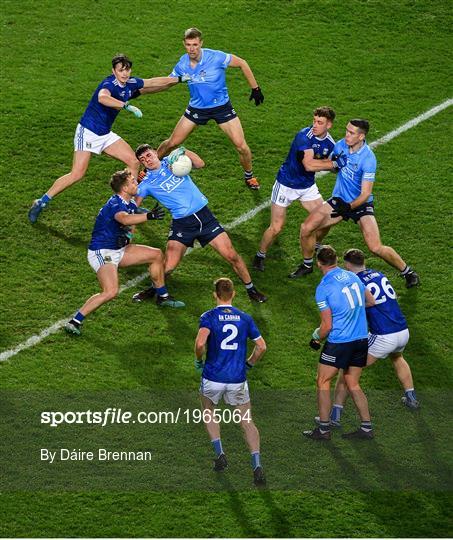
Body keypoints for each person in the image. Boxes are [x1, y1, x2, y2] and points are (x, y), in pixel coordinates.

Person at [28, 54, 184, 223]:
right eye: (120, 70)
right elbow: (103, 97)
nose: (124, 73)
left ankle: (130, 204)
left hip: (105, 134)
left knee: (133, 161)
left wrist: (179, 79)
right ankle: (41, 202)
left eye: (127, 70)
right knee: (77, 173)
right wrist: (125, 105)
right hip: (88, 132)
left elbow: (153, 82)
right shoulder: (109, 84)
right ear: (113, 71)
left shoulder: (131, 83)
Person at [131, 144, 267, 303]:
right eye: (143, 160)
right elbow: (133, 206)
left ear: (155, 153)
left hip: (206, 218)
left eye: (148, 155)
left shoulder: (173, 161)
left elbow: (200, 164)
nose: (147, 160)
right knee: (168, 266)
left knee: (232, 256)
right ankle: (153, 290)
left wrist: (183, 151)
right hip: (182, 224)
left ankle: (251, 289)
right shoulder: (147, 183)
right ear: (142, 164)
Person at [292, 119, 420, 288]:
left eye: (351, 133)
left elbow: (365, 193)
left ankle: (408, 272)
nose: (346, 135)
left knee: (375, 247)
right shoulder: (340, 146)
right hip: (339, 200)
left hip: (360, 205)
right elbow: (332, 166)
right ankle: (308, 264)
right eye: (347, 130)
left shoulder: (368, 159)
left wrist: (349, 208)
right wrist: (320, 162)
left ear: (361, 136)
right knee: (306, 228)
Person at [65, 170, 184, 336]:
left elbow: (133, 213)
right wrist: (149, 216)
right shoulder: (116, 204)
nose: (136, 184)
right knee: (110, 291)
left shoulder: (128, 201)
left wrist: (129, 233)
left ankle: (162, 297)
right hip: (103, 252)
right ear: (125, 188)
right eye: (133, 182)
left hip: (118, 249)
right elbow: (124, 219)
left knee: (156, 254)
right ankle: (74, 321)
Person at [157, 27, 264, 190]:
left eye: (195, 44)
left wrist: (255, 89)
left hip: (222, 107)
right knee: (172, 143)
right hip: (197, 108)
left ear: (201, 43)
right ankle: (149, 167)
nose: (192, 48)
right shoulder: (182, 64)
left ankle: (249, 176)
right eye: (188, 45)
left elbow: (242, 62)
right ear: (184, 44)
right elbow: (168, 82)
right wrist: (143, 89)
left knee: (241, 146)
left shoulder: (216, 57)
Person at [324, 248, 418, 423]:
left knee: (348, 370)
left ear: (347, 264)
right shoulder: (378, 274)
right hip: (402, 330)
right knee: (397, 357)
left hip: (384, 335)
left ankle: (335, 415)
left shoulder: (354, 282)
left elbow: (355, 306)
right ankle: (411, 397)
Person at [252, 106, 343, 274]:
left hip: (307, 187)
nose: (314, 125)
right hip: (286, 184)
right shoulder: (304, 136)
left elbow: (334, 166)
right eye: (314, 121)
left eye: (319, 122)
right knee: (276, 227)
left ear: (328, 125)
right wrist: (334, 165)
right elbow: (308, 165)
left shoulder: (331, 144)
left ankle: (314, 246)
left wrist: (337, 165)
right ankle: (260, 255)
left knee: (325, 220)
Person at [194, 277, 267, 486]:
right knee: (246, 421)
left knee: (208, 411)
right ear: (233, 294)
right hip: (237, 378)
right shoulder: (245, 318)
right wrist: (250, 364)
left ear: (215, 294)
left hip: (212, 377)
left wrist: (199, 360)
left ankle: (220, 454)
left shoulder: (208, 317)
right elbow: (261, 346)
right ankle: (257, 465)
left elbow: (200, 343)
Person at [303, 246, 375, 440]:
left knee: (323, 381)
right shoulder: (353, 277)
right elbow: (370, 301)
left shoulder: (323, 288)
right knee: (352, 383)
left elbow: (326, 326)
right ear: (336, 260)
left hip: (340, 342)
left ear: (319, 263)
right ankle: (367, 427)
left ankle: (324, 430)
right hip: (361, 339)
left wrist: (316, 338)